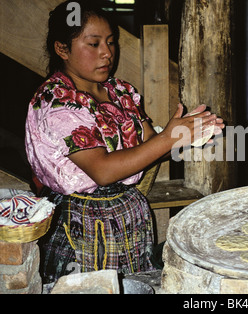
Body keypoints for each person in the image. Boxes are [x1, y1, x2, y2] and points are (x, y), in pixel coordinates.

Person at [25, 0, 223, 284]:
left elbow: (149, 147)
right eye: (93, 44)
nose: (107, 53)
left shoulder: (119, 92)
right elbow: (103, 171)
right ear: (62, 49)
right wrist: (167, 138)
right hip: (81, 226)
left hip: (128, 216)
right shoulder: (58, 102)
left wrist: (185, 134)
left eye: (111, 42)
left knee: (135, 286)